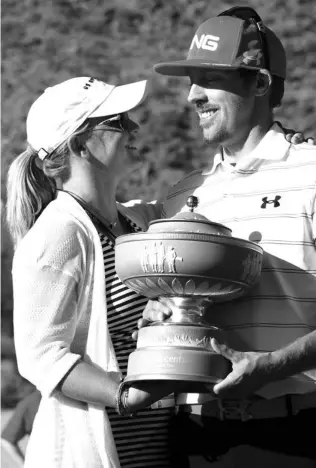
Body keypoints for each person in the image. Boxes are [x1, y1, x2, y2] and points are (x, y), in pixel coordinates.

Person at [142, 5, 316, 468]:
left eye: (209, 78)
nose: (192, 96)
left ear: (259, 82)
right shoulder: (185, 192)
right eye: (190, 80)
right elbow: (168, 310)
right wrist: (161, 312)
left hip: (293, 438)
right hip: (191, 437)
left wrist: (275, 366)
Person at [5, 76, 186, 468]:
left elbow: (209, 198)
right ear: (80, 144)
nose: (134, 127)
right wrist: (126, 394)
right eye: (118, 121)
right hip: (102, 454)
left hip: (166, 449)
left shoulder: (139, 219)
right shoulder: (57, 235)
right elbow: (42, 357)